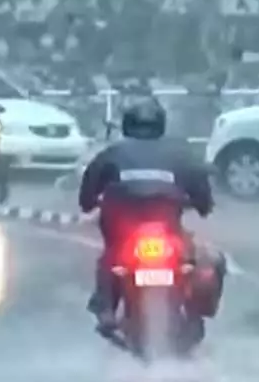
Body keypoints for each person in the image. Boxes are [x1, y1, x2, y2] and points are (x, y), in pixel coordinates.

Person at [76, 95, 216, 332]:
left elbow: (88, 192)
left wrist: (90, 203)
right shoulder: (179, 154)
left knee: (112, 255)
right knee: (191, 256)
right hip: (165, 226)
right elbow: (201, 189)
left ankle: (106, 306)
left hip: (123, 227)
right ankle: (191, 308)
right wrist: (202, 205)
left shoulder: (112, 153)